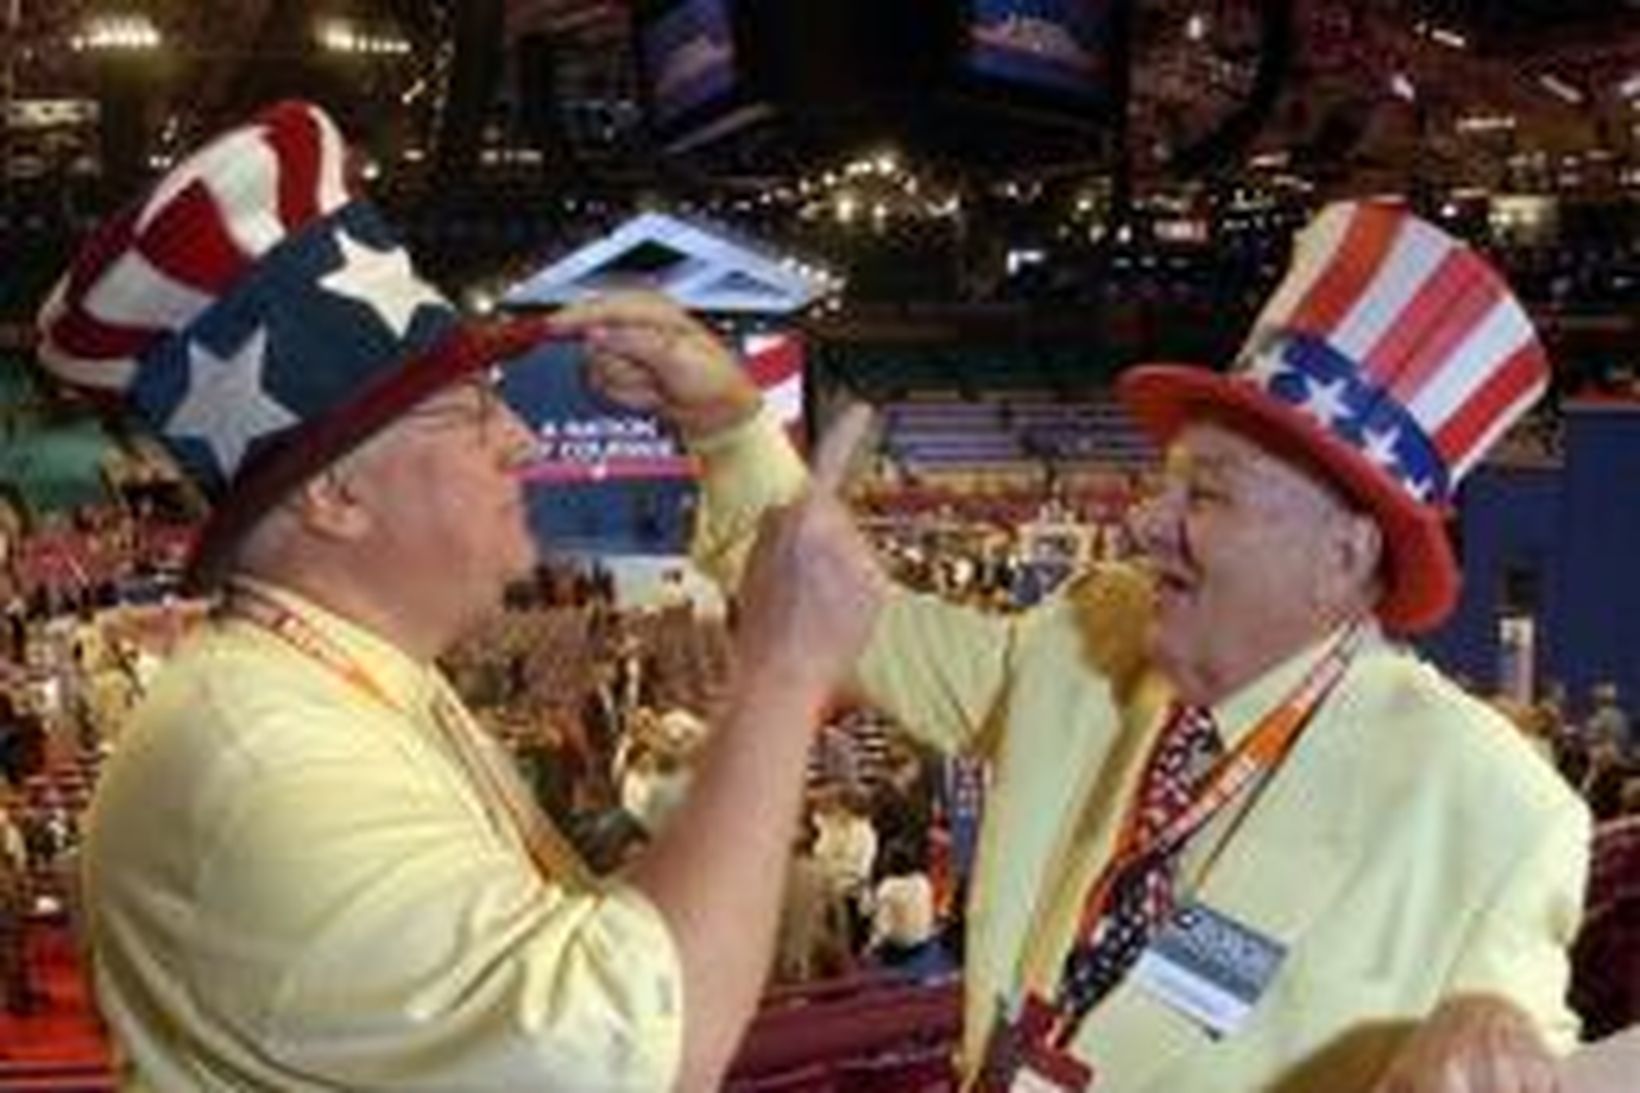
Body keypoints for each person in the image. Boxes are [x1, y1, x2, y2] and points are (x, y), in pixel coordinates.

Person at [558, 199, 1590, 1091]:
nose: (1144, 520)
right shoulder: (1091, 633)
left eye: (1207, 493)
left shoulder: (1491, 804)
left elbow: (1513, 1039)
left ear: (1344, 550)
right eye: (1166, 477)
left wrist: (1490, 1041)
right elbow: (860, 622)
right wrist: (730, 425)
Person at [33, 100, 885, 1091]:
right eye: (469, 412)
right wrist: (780, 672)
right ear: (335, 493)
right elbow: (634, 1041)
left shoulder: (320, 692)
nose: (519, 440)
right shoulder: (271, 760)